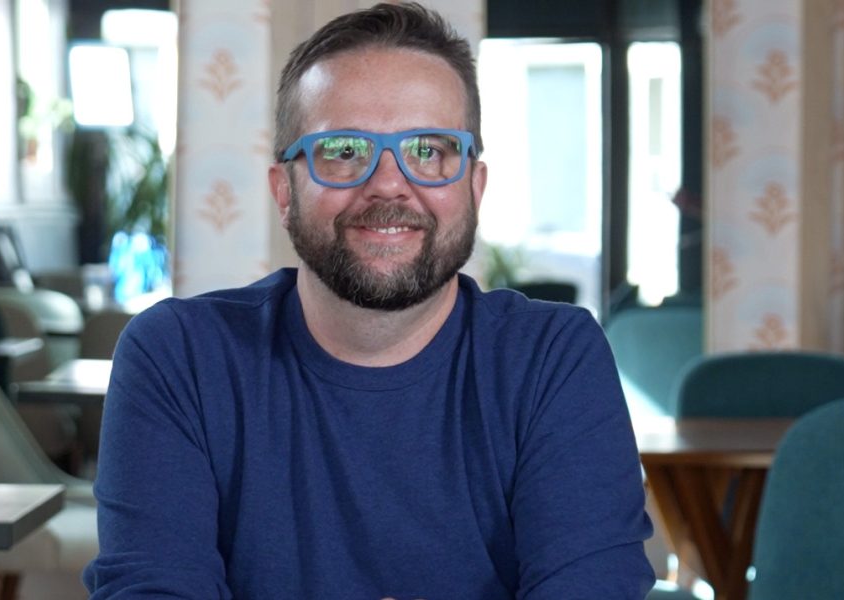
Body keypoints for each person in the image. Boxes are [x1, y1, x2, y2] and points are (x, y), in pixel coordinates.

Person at [83, 3, 655, 598]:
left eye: (430, 151)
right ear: (284, 190)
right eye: (344, 150)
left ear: (475, 189)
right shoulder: (179, 358)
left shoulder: (552, 359)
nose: (388, 182)